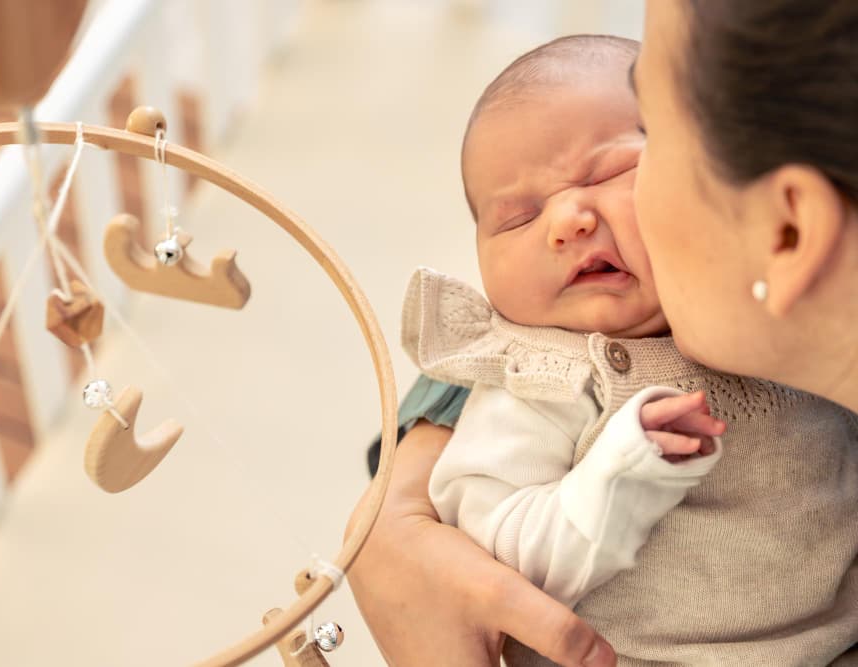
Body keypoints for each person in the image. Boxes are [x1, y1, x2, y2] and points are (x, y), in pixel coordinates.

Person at [348, 2, 858, 665]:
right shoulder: (538, 374)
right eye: (517, 217)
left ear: (788, 231)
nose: (566, 221)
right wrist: (411, 482)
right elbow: (496, 547)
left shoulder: (792, 353)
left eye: (625, 162)